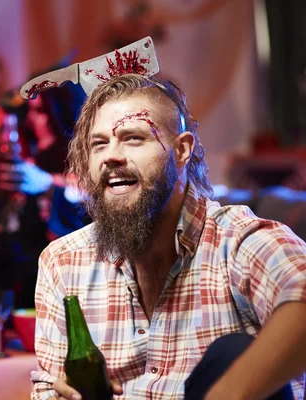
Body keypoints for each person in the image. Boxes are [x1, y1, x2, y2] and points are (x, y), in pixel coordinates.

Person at [32, 74, 306, 399]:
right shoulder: (62, 263)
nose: (111, 156)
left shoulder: (237, 241)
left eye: (133, 138)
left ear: (181, 150)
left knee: (231, 353)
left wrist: (228, 391)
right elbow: (47, 390)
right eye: (99, 144)